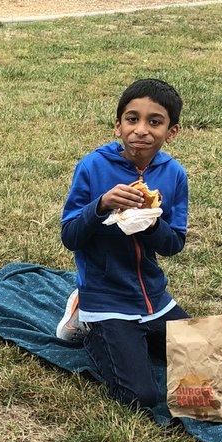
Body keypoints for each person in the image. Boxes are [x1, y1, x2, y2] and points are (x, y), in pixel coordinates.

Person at [56, 78, 189, 408]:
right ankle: (85, 321)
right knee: (140, 397)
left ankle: (135, 339)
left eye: (154, 122)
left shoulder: (174, 175)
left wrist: (149, 222)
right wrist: (101, 205)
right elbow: (70, 237)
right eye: (132, 119)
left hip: (153, 298)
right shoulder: (92, 167)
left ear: (171, 131)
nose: (141, 130)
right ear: (118, 126)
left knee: (209, 361)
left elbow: (173, 244)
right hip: (106, 298)